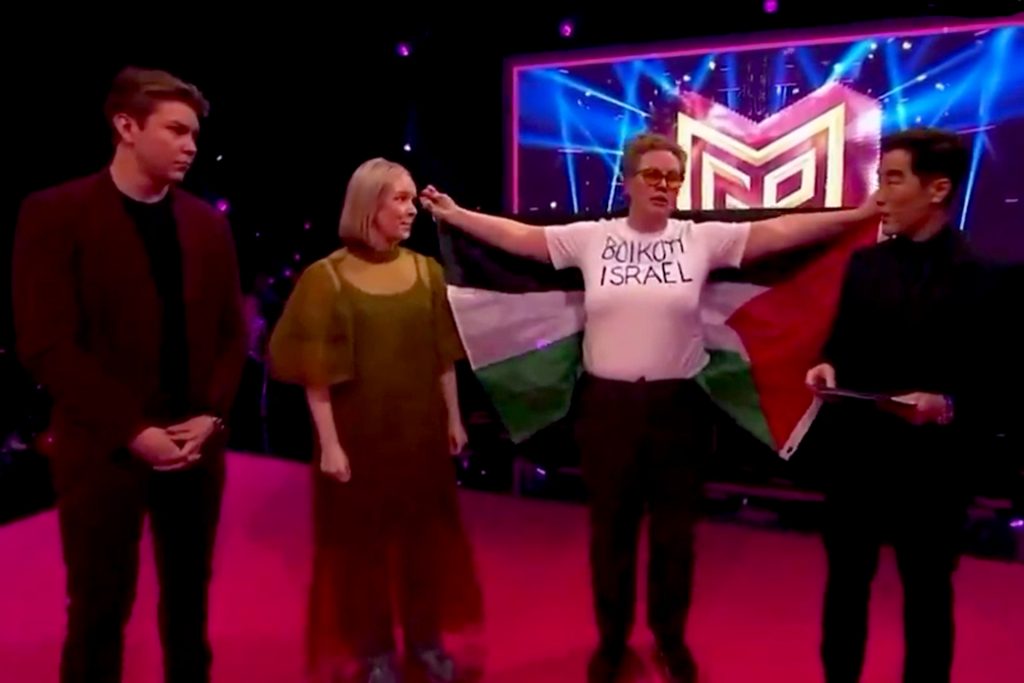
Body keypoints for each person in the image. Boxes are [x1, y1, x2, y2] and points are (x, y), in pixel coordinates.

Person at [420, 132, 880, 683]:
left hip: (678, 408)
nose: (665, 186)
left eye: (673, 178)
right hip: (607, 408)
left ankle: (669, 638)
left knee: (674, 536)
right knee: (610, 533)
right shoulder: (593, 238)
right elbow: (521, 238)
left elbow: (780, 232)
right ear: (629, 181)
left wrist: (858, 215)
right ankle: (611, 642)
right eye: (654, 175)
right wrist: (456, 215)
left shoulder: (699, 238)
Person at [11, 67, 246, 683]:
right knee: (98, 609)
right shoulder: (54, 213)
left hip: (195, 448)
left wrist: (212, 416)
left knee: (189, 608)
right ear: (126, 126)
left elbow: (232, 335)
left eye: (194, 135)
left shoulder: (208, 224)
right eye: (176, 130)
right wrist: (133, 430)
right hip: (102, 449)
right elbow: (47, 345)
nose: (190, 146)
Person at [268, 158, 483, 683]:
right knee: (361, 550)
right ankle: (375, 653)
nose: (411, 210)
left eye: (412, 199)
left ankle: (426, 642)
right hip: (358, 438)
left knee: (423, 546)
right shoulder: (327, 278)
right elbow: (315, 374)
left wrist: (453, 419)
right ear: (369, 205)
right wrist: (330, 445)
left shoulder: (426, 272)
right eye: (400, 199)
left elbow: (444, 357)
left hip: (419, 436)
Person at [806, 128, 987, 683]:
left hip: (932, 468)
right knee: (845, 588)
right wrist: (826, 365)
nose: (879, 195)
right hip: (857, 458)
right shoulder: (865, 265)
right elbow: (839, 344)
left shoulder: (982, 277)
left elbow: (998, 380)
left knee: (927, 593)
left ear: (937, 189)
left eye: (892, 180)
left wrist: (948, 402)